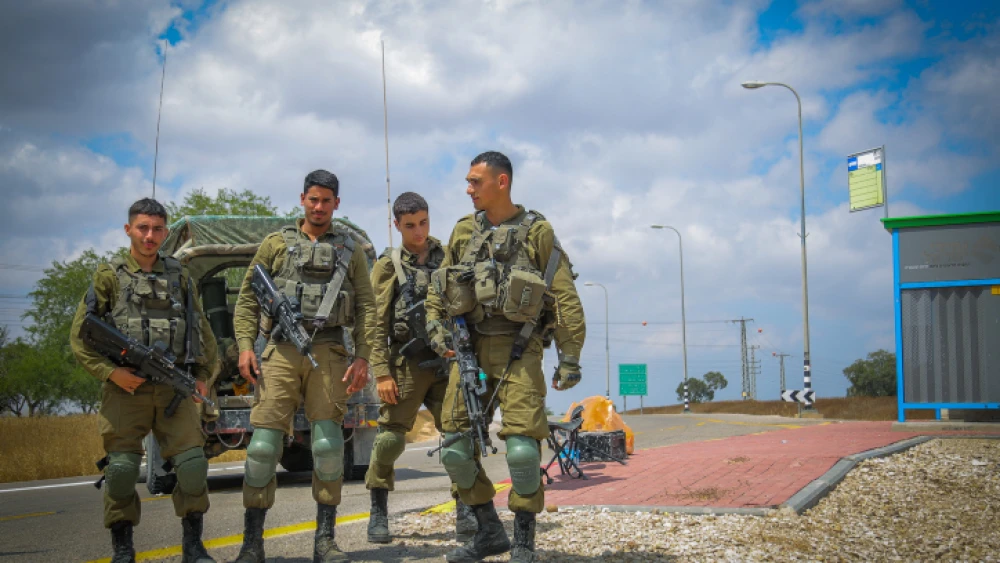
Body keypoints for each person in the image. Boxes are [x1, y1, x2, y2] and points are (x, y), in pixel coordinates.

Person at [426, 151, 586, 563]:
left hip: (521, 349)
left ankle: (524, 542)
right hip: (470, 350)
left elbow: (564, 295)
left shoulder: (537, 232)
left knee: (521, 451)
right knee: (455, 450)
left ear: (501, 183)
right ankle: (489, 531)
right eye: (467, 181)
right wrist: (438, 332)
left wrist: (570, 358)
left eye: (475, 181)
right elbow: (437, 291)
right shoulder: (463, 231)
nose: (468, 189)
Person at [231, 169, 376, 563]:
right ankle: (251, 543)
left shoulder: (350, 248)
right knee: (262, 448)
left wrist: (363, 355)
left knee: (328, 446)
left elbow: (366, 306)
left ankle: (325, 541)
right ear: (302, 199)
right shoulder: (276, 244)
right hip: (279, 350)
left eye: (327, 200)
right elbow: (247, 300)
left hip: (329, 351)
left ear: (337, 203)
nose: (319, 207)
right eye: (313, 199)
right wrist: (246, 346)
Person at [70, 198, 219, 563]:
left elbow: (201, 333)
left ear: (165, 232)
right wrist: (112, 373)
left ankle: (193, 547)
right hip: (125, 391)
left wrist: (202, 376)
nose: (149, 236)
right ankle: (123, 549)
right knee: (120, 470)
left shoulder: (180, 276)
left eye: (156, 229)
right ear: (128, 230)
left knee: (193, 467)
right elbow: (81, 336)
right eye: (142, 228)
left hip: (174, 388)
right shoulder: (108, 277)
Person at [364, 192, 477, 544]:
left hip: (448, 364)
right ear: (396, 225)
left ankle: (466, 508)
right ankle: (378, 510)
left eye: (423, 223)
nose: (418, 231)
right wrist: (381, 373)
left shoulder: (449, 257)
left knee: (460, 437)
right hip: (408, 365)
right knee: (389, 440)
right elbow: (374, 322)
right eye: (409, 225)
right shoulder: (388, 266)